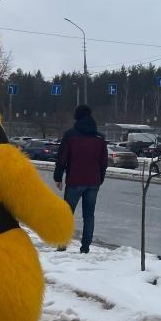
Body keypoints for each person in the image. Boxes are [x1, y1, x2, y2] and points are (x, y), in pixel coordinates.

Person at [52, 105, 108, 254]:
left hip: (75, 181)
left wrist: (58, 177)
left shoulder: (70, 135)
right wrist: (100, 178)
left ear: (77, 116)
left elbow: (62, 158)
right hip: (93, 182)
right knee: (89, 216)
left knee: (67, 214)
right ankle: (85, 248)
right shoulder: (100, 138)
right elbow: (103, 162)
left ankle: (62, 244)